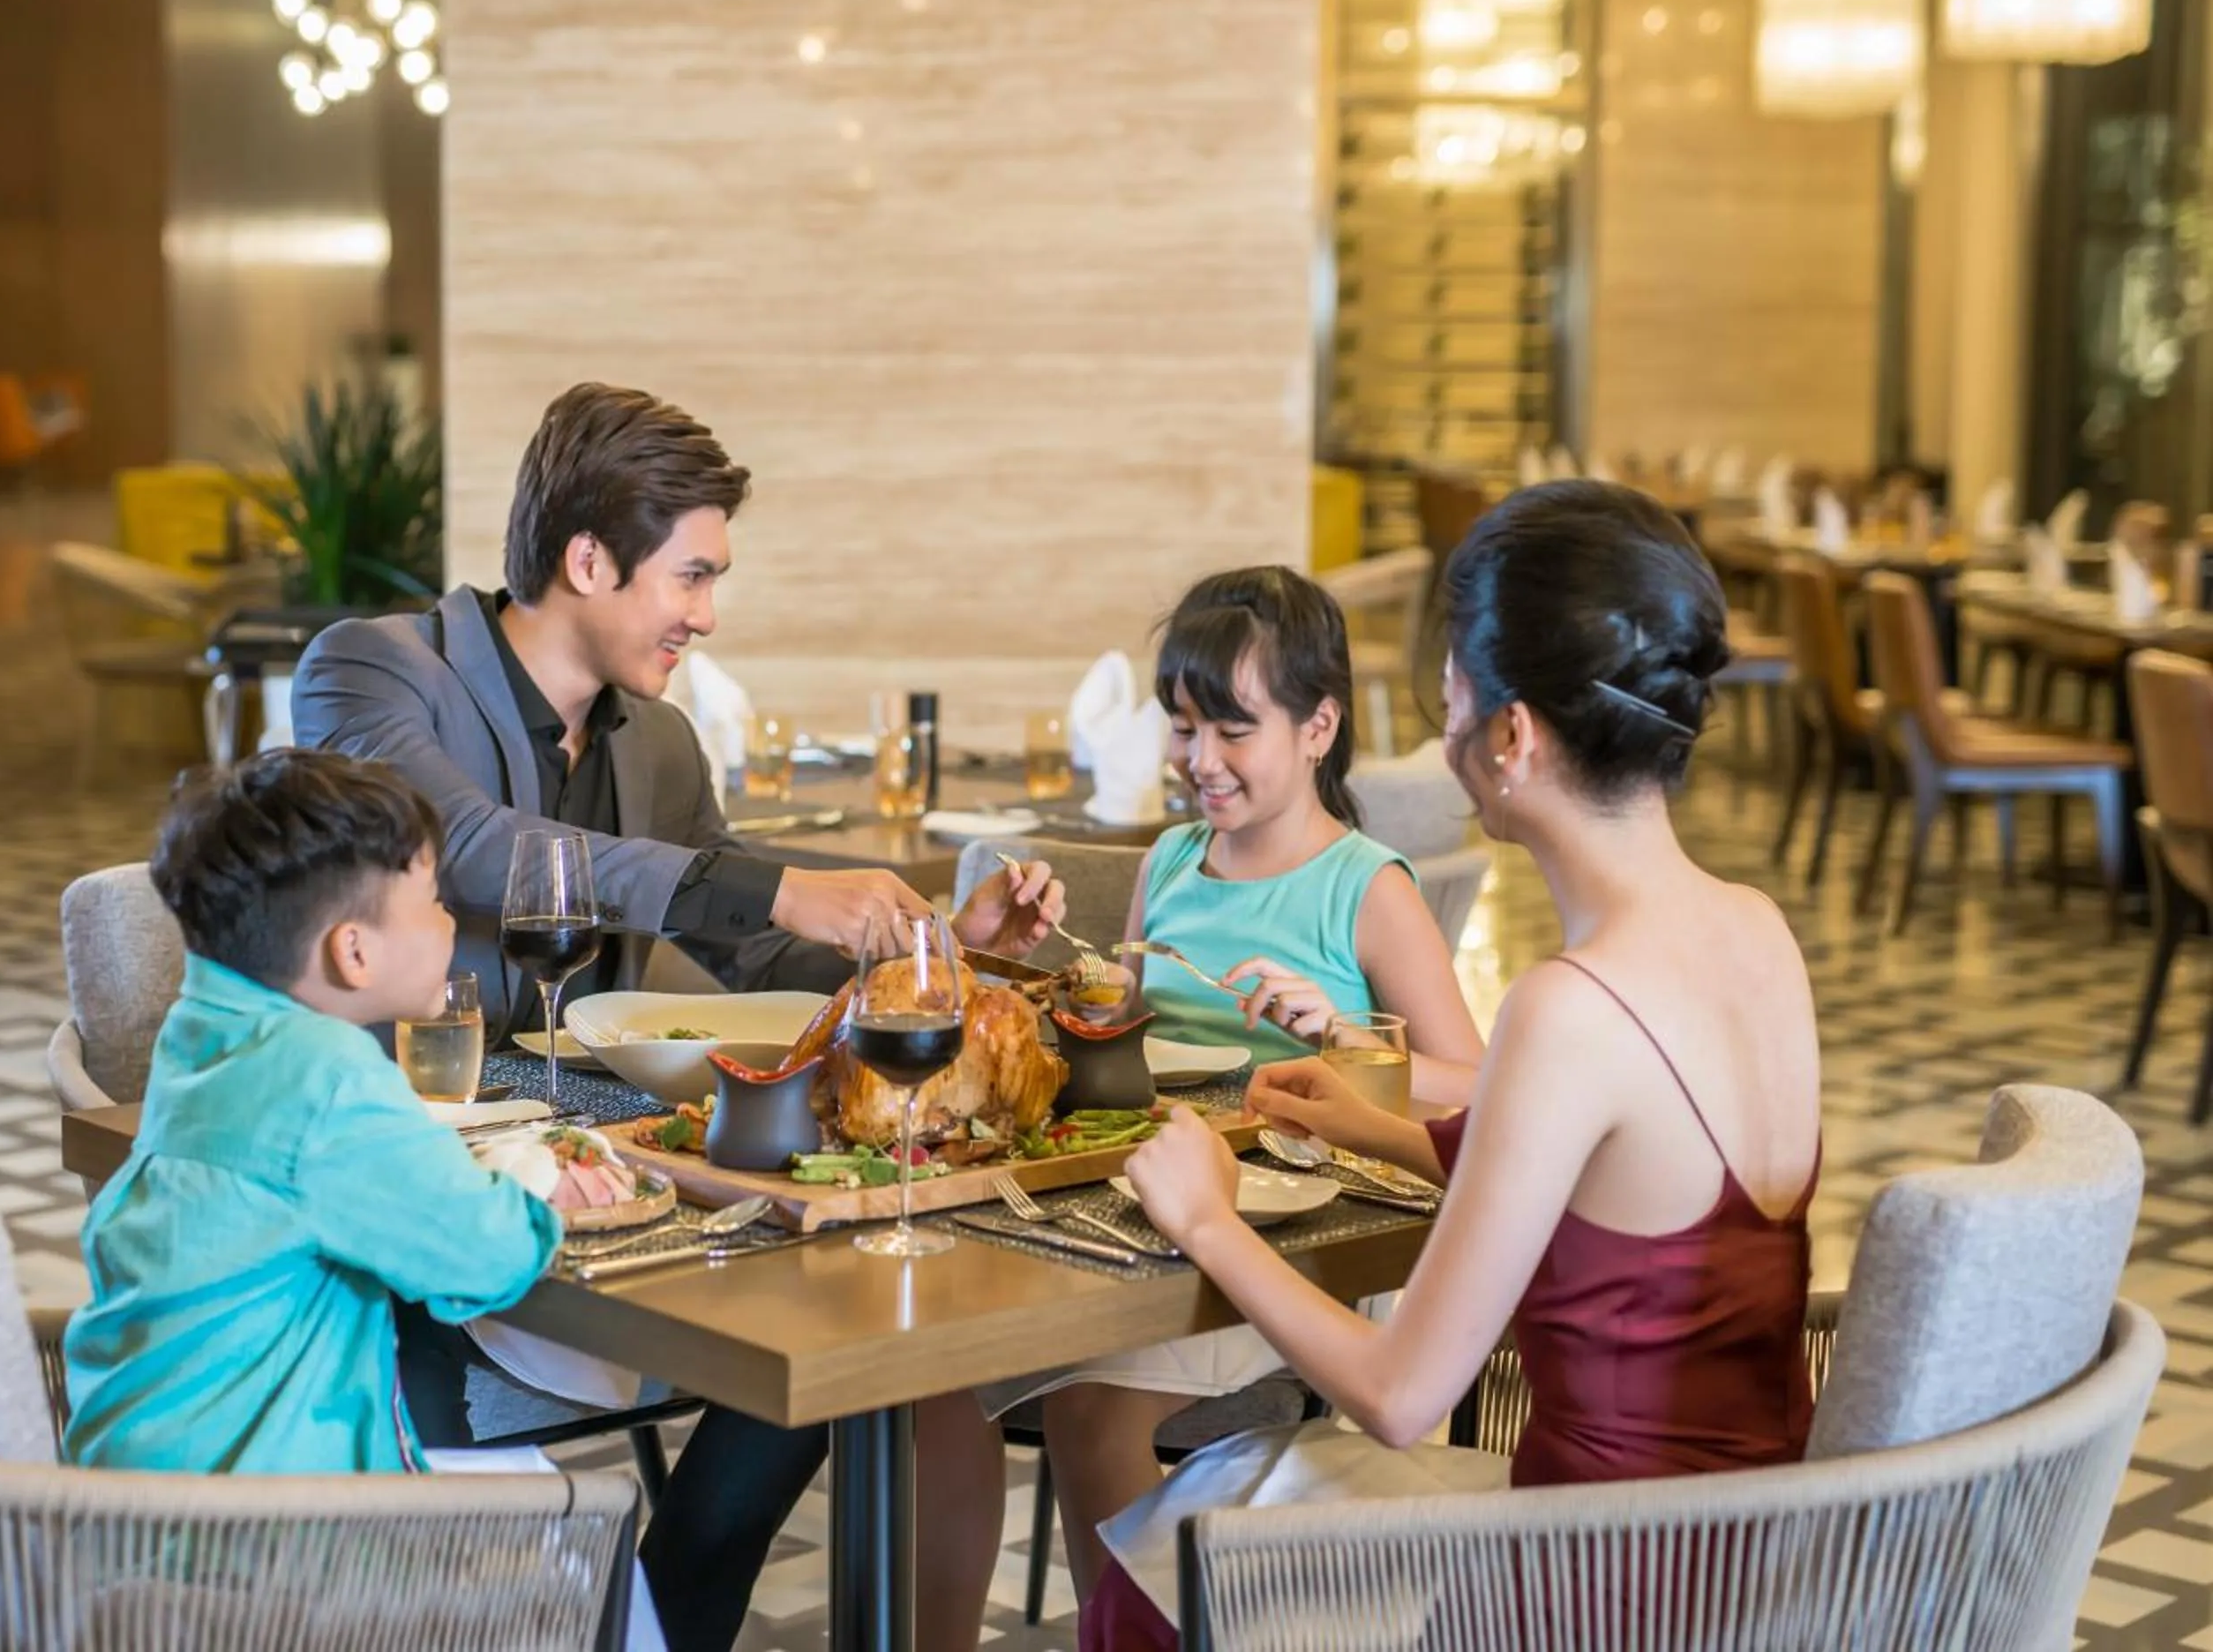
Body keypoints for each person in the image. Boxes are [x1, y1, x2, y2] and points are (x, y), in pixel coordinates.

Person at [291, 380, 1061, 1652]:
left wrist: (931, 964)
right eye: (689, 578)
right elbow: (465, 846)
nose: (707, 615)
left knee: (856, 1294)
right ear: (586, 559)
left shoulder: (658, 745)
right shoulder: (377, 670)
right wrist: (771, 879)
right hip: (409, 1173)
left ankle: (671, 1611)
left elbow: (747, 941)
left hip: (606, 1156)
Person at [1091, 483, 1825, 1650]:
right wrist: (1366, 1119)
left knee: (1153, 1570)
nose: (1444, 744)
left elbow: (1397, 1397)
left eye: (1450, 706)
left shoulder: (1568, 1009)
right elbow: (1613, 1187)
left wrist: (1206, 1221)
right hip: (1762, 1557)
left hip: (1591, 1588)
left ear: (1514, 737)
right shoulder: (1757, 932)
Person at [1000, 565, 1488, 1602]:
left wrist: (1348, 1031)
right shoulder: (1172, 862)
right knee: (921, 1396)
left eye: (1232, 729)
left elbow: (1476, 1089)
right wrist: (1058, 986)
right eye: (1183, 727)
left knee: (1092, 1413)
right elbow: (1116, 1035)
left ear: (1318, 727)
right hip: (1145, 1213)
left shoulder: (1367, 887)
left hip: (1302, 1238)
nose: (1199, 761)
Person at [63, 749, 557, 1474]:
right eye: (434, 902)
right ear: (352, 951)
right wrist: (540, 1178)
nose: (450, 924)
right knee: (589, 1540)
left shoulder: (200, 1033)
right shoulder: (329, 1080)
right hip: (275, 1541)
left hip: (133, 1509)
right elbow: (487, 1258)